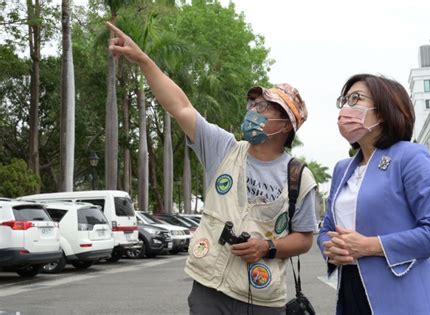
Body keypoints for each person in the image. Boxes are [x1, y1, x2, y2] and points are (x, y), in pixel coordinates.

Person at [106, 22, 319, 314]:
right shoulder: (225, 149)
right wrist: (143, 59)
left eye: (265, 108)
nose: (253, 111)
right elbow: (180, 106)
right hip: (210, 289)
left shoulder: (299, 177)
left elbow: (305, 238)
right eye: (254, 105)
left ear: (285, 125)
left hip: (264, 298)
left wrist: (266, 247)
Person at [317, 73, 430, 315]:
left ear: (383, 110)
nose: (346, 109)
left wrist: (369, 245)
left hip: (404, 299)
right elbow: (327, 228)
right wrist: (331, 247)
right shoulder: (342, 169)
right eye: (344, 101)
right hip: (351, 292)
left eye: (355, 98)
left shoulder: (410, 157)